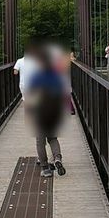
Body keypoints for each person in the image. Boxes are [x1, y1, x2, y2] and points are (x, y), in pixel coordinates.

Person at [25, 44, 67, 177]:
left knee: (40, 141)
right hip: (53, 110)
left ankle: (45, 168)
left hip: (41, 110)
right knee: (53, 138)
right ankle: (57, 158)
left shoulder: (36, 76)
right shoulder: (57, 75)